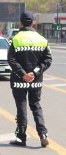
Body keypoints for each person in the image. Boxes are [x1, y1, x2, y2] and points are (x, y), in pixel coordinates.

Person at [8, 11, 52, 147]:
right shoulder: (42, 39)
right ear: (33, 23)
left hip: (18, 81)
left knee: (21, 108)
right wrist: (35, 72)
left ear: (20, 23)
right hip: (36, 81)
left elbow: (11, 59)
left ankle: (21, 137)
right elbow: (48, 60)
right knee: (36, 106)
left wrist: (23, 74)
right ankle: (43, 134)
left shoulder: (16, 39)